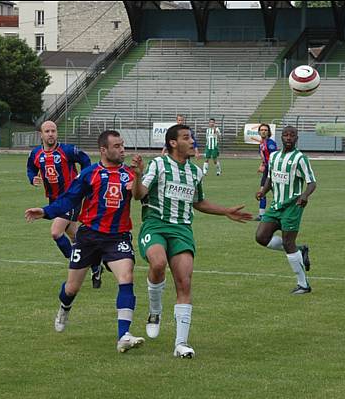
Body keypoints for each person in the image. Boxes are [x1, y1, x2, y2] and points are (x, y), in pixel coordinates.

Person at [131, 124, 253, 358]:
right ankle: (155, 311)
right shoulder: (158, 164)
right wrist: (137, 177)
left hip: (182, 230)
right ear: (173, 143)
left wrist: (226, 211)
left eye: (192, 137)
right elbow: (139, 195)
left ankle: (181, 344)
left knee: (184, 282)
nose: (192, 141)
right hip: (155, 225)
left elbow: (199, 202)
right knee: (157, 264)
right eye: (186, 137)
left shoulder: (196, 172)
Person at [25, 130, 145, 353]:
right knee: (71, 288)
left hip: (117, 236)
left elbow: (140, 196)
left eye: (122, 145)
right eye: (117, 146)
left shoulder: (129, 174)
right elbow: (69, 200)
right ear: (103, 150)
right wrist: (45, 211)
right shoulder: (90, 174)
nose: (122, 150)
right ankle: (64, 307)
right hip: (88, 236)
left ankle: (123, 336)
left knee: (127, 277)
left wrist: (139, 176)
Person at [26, 121, 103, 289]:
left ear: (57, 133)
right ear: (41, 134)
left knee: (55, 232)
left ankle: (77, 264)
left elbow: (85, 159)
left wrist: (82, 178)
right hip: (54, 200)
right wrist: (32, 178)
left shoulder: (67, 150)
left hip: (71, 198)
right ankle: (95, 265)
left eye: (53, 130)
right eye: (47, 131)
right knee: (76, 237)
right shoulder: (36, 153)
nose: (51, 134)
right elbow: (30, 169)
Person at [255, 125, 316, 294]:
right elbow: (270, 179)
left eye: (292, 135)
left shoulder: (300, 158)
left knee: (288, 242)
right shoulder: (274, 157)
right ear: (281, 137)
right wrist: (263, 191)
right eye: (286, 135)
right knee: (261, 237)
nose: (288, 138)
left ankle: (303, 284)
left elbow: (312, 182)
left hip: (293, 206)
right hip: (276, 206)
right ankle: (300, 250)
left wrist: (305, 196)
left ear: (296, 138)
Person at [256, 124, 278, 221]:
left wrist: (268, 167)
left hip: (272, 171)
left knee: (277, 194)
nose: (263, 131)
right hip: (267, 171)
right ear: (259, 132)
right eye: (261, 130)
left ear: (269, 132)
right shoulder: (262, 143)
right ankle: (261, 215)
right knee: (262, 192)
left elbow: (274, 158)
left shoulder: (270, 143)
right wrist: (263, 165)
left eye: (265, 130)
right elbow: (266, 158)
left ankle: (279, 212)